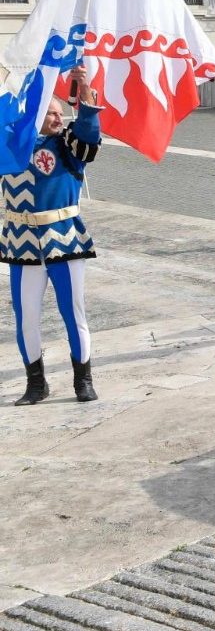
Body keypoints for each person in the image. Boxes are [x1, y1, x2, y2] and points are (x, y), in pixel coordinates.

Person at [4, 67, 101, 404]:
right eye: (51, 112)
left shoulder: (69, 145)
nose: (59, 118)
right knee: (26, 315)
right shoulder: (10, 143)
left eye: (61, 113)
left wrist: (85, 90)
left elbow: (88, 134)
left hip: (65, 240)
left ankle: (83, 380)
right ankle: (36, 383)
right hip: (22, 242)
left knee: (73, 313)